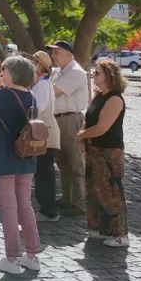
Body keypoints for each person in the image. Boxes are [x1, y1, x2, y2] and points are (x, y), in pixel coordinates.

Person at [0, 55, 42, 275]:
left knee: (9, 209)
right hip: (26, 157)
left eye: (3, 69)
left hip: (4, 158)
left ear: (11, 72)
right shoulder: (31, 96)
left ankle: (11, 258)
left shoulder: (2, 95)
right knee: (25, 205)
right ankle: (32, 255)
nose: (0, 72)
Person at [78, 59, 129, 248]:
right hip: (93, 148)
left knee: (111, 191)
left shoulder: (115, 99)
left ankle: (119, 234)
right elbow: (88, 119)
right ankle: (100, 228)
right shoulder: (98, 96)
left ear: (108, 76)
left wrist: (80, 136)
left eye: (97, 72)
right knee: (94, 189)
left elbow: (102, 128)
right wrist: (83, 138)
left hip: (109, 150)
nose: (93, 74)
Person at [49, 40, 90, 215]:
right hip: (57, 119)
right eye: (53, 52)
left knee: (75, 163)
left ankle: (79, 203)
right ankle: (67, 198)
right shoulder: (58, 71)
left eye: (57, 52)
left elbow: (52, 92)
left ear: (68, 54)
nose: (53, 55)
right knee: (62, 162)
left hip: (70, 119)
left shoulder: (75, 72)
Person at [27, 51, 62, 223]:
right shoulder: (41, 84)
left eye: (33, 61)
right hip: (44, 132)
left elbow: (36, 109)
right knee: (43, 172)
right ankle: (47, 208)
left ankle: (49, 210)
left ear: (40, 65)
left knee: (44, 173)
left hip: (45, 134)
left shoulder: (42, 85)